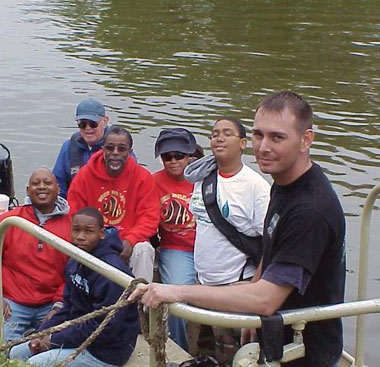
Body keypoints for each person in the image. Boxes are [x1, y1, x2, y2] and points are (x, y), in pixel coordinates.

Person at [129, 91, 346, 367]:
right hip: (274, 331)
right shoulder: (283, 182)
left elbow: (266, 300)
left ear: (306, 140)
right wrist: (253, 304)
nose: (263, 147)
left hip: (305, 350)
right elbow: (270, 247)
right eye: (258, 135)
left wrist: (177, 291)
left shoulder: (310, 210)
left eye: (277, 137)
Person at [184, 118, 270, 364]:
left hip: (234, 286)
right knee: (201, 350)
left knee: (230, 355)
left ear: (243, 143)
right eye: (214, 134)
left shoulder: (256, 187)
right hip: (202, 282)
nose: (218, 138)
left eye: (227, 134)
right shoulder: (203, 178)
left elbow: (270, 244)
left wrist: (254, 288)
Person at [9, 207, 140, 367]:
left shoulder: (111, 273)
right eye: (76, 230)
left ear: (102, 234)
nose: (80, 237)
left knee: (36, 363)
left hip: (107, 349)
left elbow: (103, 327)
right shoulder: (75, 260)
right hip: (79, 333)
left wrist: (52, 340)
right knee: (16, 352)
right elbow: (68, 308)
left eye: (88, 232)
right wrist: (41, 334)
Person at [0, 168, 71, 343]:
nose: (41, 187)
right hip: (12, 302)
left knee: (60, 349)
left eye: (47, 183)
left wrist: (59, 306)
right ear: (27, 191)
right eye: (35, 183)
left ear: (58, 189)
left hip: (52, 304)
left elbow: (76, 271)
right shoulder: (8, 221)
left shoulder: (72, 225)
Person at [67, 126, 160, 284]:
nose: (115, 152)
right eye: (110, 148)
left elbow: (149, 217)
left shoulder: (143, 177)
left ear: (129, 152)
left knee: (144, 250)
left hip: (129, 243)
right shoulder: (84, 176)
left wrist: (130, 241)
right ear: (103, 149)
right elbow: (74, 214)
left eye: (121, 149)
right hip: (94, 241)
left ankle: (140, 302)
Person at [152, 128, 198, 351]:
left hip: (211, 250)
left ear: (189, 156)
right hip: (176, 249)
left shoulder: (205, 178)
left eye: (179, 156)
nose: (172, 161)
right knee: (175, 304)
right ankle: (179, 353)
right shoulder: (152, 182)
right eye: (166, 156)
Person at [52, 98, 110, 199]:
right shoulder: (68, 147)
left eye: (93, 124)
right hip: (76, 208)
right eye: (82, 124)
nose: (88, 128)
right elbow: (58, 185)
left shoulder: (119, 148)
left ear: (104, 122)